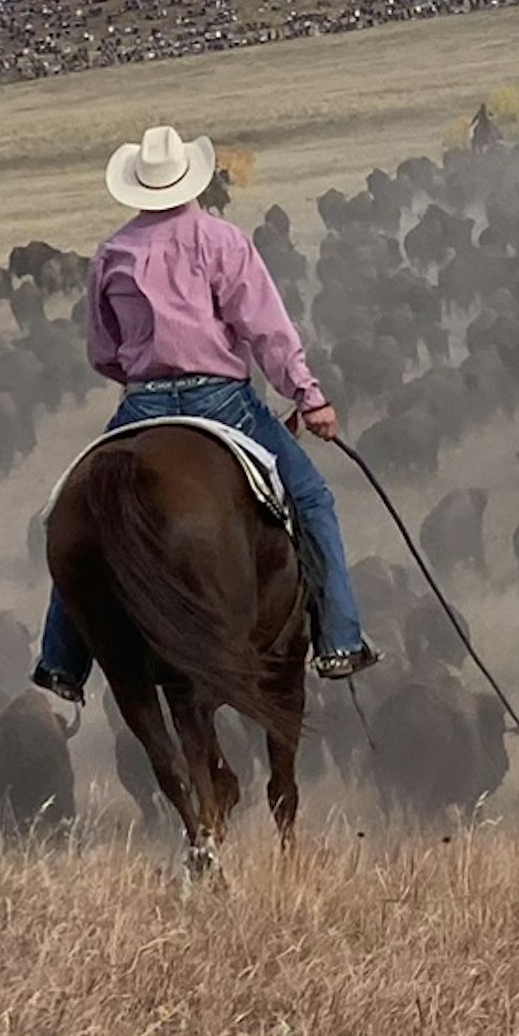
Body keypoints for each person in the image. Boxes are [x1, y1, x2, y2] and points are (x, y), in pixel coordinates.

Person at [32, 122, 377, 702]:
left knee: (82, 513)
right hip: (222, 401)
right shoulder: (221, 240)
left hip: (140, 404)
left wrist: (144, 378)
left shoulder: (113, 252)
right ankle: (339, 640)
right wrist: (308, 398)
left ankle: (61, 659)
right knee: (314, 500)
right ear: (190, 180)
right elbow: (266, 329)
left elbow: (103, 352)